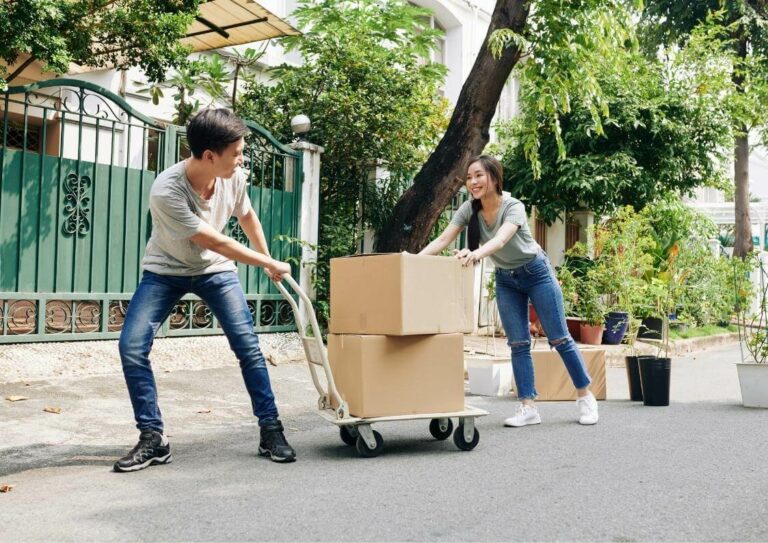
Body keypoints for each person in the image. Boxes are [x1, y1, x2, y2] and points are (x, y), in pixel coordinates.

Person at [114, 108, 296, 472]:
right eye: (237, 153)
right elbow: (215, 241)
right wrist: (267, 262)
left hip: (215, 271)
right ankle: (153, 438)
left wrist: (267, 258)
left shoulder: (233, 177)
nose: (242, 159)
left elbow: (246, 216)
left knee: (248, 347)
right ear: (210, 156)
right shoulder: (167, 190)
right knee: (132, 346)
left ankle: (270, 429)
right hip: (166, 270)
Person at [419, 154, 598, 427]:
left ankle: (585, 396)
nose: (473, 182)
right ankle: (528, 407)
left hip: (536, 273)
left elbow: (501, 240)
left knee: (560, 338)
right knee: (518, 343)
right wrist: (412, 260)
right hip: (506, 279)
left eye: (479, 175)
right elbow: (444, 238)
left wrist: (476, 254)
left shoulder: (513, 206)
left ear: (494, 178)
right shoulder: (469, 209)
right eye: (469, 177)